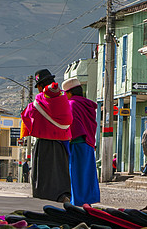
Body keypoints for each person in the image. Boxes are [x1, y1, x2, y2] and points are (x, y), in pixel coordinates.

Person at [20, 69, 72, 203]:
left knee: (43, 171)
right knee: (61, 170)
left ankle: (44, 196)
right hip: (62, 143)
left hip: (44, 142)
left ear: (40, 86)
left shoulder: (40, 100)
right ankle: (62, 195)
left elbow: (29, 115)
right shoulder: (63, 98)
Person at [62, 78, 101, 205]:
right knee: (87, 174)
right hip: (88, 143)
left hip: (76, 143)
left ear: (69, 93)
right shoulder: (87, 104)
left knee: (76, 175)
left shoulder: (71, 104)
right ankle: (88, 201)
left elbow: (72, 124)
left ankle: (77, 203)